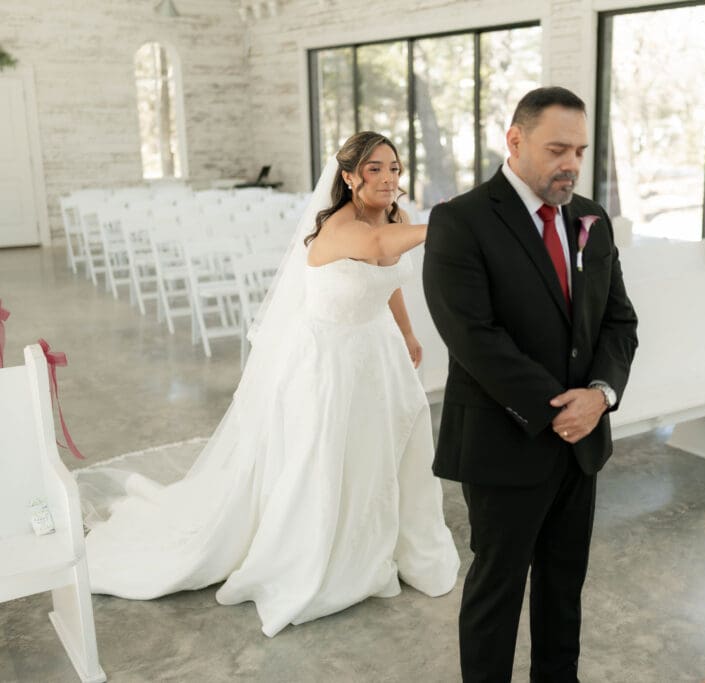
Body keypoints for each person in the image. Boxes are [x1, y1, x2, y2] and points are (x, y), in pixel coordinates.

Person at [83, 132, 460, 637]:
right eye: (374, 169)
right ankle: (323, 552)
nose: (389, 178)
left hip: (377, 351)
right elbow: (374, 248)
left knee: (386, 448)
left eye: (394, 167)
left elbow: (388, 275)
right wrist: (455, 220)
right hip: (328, 360)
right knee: (324, 456)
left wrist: (410, 333)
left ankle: (390, 539)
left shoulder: (395, 219)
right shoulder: (340, 230)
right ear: (348, 176)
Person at [423, 87, 639, 682]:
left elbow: (619, 321)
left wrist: (599, 396)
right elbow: (472, 336)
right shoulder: (460, 220)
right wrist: (556, 410)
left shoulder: (591, 218)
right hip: (504, 441)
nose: (571, 163)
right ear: (515, 141)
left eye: (580, 150)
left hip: (582, 440)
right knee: (497, 591)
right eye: (557, 149)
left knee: (563, 586)